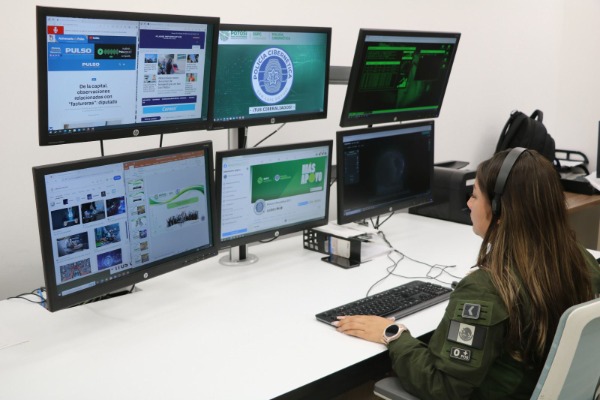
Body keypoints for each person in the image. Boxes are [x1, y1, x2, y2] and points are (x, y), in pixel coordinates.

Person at [334, 148, 600, 399]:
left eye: (474, 196)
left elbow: (442, 386)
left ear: (499, 211)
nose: (468, 204)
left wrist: (393, 334)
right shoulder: (582, 260)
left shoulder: (486, 289)